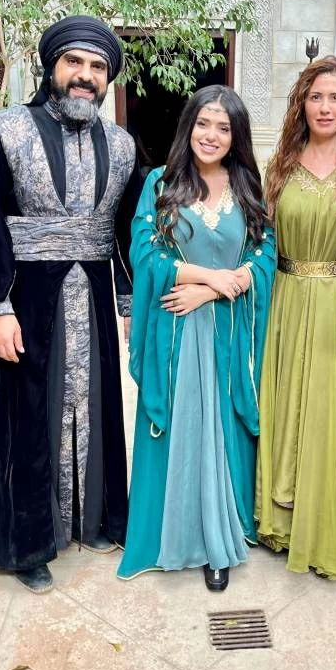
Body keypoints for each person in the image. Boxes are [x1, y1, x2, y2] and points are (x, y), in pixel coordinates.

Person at [0, 15, 138, 594]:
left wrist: (130, 304)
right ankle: (27, 542)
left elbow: (128, 231)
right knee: (28, 416)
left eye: (97, 67)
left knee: (95, 404)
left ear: (107, 79)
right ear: (51, 67)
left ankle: (92, 521)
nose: (85, 75)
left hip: (92, 296)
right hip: (25, 297)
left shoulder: (122, 144)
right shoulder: (6, 130)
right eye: (74, 62)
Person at [117, 85, 276, 591]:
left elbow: (265, 255)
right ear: (189, 126)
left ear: (236, 136)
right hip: (179, 334)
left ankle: (217, 541)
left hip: (228, 330)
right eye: (203, 124)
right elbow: (146, 254)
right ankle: (173, 534)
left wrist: (213, 290)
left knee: (223, 429)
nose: (211, 135)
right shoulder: (161, 184)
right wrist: (210, 277)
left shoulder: (247, 188)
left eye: (223, 128)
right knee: (183, 427)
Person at [256, 56, 336, 580]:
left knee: (330, 408)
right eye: (316, 97)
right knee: (286, 407)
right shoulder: (280, 164)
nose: (325, 107)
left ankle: (332, 522)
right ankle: (281, 521)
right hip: (286, 301)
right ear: (301, 105)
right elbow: (261, 242)